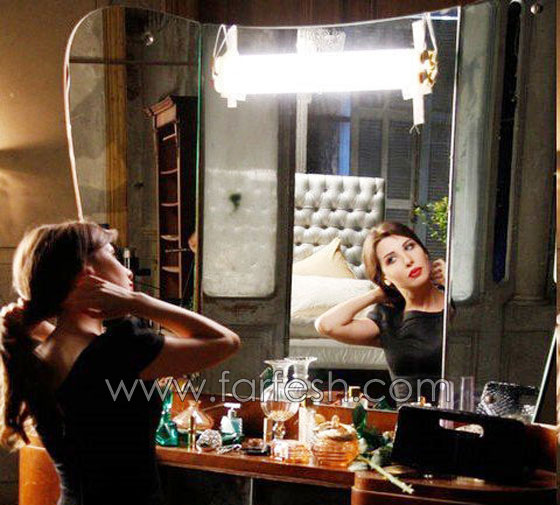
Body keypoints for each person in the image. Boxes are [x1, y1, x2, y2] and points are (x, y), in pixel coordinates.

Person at [0, 221, 240, 505]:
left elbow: (86, 376)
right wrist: (137, 301)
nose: (127, 271)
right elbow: (226, 341)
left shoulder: (40, 356)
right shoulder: (121, 348)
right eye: (112, 254)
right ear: (86, 275)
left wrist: (44, 331)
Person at [315, 221, 446, 404]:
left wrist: (456, 287)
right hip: (412, 420)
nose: (408, 260)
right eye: (391, 260)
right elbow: (327, 325)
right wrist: (376, 294)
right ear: (385, 277)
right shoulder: (389, 318)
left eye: (409, 247)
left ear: (424, 252)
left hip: (465, 416)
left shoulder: (459, 306)